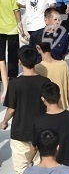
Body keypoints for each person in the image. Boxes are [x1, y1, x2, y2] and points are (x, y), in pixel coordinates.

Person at [1, 45, 51, 174]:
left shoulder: (14, 84)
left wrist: (4, 122)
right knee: (40, 168)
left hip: (20, 133)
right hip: (41, 133)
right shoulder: (45, 82)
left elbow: (11, 109)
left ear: (20, 61)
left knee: (21, 169)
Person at [30, 82, 69, 171]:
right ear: (59, 96)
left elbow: (34, 147)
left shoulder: (39, 121)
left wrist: (29, 160)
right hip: (68, 168)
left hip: (47, 168)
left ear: (43, 99)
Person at [34, 32, 69, 111]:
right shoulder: (63, 65)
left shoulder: (37, 68)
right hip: (62, 110)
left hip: (45, 112)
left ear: (38, 48)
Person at [0, 0, 27, 82]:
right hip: (11, 29)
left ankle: (1, 74)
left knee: (0, 54)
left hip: (0, 29)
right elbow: (17, 12)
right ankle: (12, 75)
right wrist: (21, 27)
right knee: (12, 53)